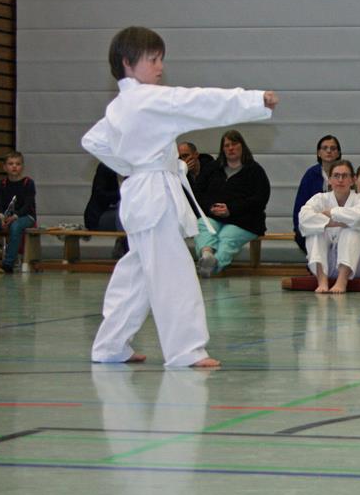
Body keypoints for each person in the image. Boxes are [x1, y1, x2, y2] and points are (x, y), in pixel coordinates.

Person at [81, 26, 278, 368]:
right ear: (128, 62)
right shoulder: (150, 99)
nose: (160, 67)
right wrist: (254, 100)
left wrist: (134, 164)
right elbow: (200, 102)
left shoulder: (119, 106)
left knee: (136, 275)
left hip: (141, 193)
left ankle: (110, 346)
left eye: (161, 59)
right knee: (174, 273)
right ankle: (186, 350)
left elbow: (93, 141)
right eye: (153, 59)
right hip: (154, 195)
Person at [193, 130, 271, 277]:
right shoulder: (212, 168)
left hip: (244, 221)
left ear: (242, 146)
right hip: (214, 216)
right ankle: (207, 254)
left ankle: (212, 266)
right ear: (222, 149)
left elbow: (260, 199)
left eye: (234, 144)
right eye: (226, 145)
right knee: (203, 225)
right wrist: (210, 207)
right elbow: (198, 194)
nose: (230, 148)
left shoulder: (255, 171)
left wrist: (231, 210)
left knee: (227, 237)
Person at [298, 160, 360, 293]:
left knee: (351, 230)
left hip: (359, 265)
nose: (340, 180)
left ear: (353, 180)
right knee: (315, 231)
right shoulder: (320, 199)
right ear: (329, 180)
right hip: (329, 264)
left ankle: (342, 281)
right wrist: (338, 222)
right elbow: (303, 219)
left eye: (345, 176)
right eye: (336, 175)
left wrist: (331, 213)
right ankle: (322, 281)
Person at [0, 152, 36, 273]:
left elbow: (28, 205)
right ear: (5, 167)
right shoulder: (2, 184)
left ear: (22, 166)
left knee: (15, 227)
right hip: (6, 216)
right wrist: (1, 216)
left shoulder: (28, 183)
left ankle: (8, 264)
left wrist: (16, 216)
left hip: (26, 216)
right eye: (11, 164)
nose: (14, 166)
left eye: (18, 164)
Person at [292, 135, 342, 251]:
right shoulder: (311, 175)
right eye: (325, 148)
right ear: (319, 153)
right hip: (315, 224)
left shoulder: (345, 174)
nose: (329, 151)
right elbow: (299, 206)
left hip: (338, 224)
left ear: (338, 153)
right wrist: (299, 227)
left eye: (333, 148)